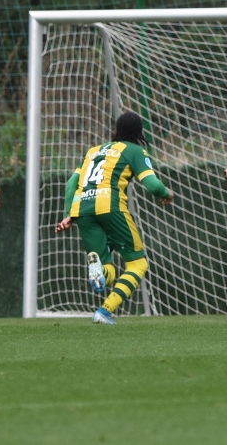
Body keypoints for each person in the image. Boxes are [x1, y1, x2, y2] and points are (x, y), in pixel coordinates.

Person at [55, 112, 174, 324]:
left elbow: (72, 183)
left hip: (83, 209)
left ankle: (98, 270)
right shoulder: (135, 151)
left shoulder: (93, 151)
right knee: (138, 264)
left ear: (117, 130)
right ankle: (105, 311)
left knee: (107, 266)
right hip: (110, 206)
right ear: (139, 131)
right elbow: (153, 185)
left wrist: (68, 215)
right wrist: (167, 194)